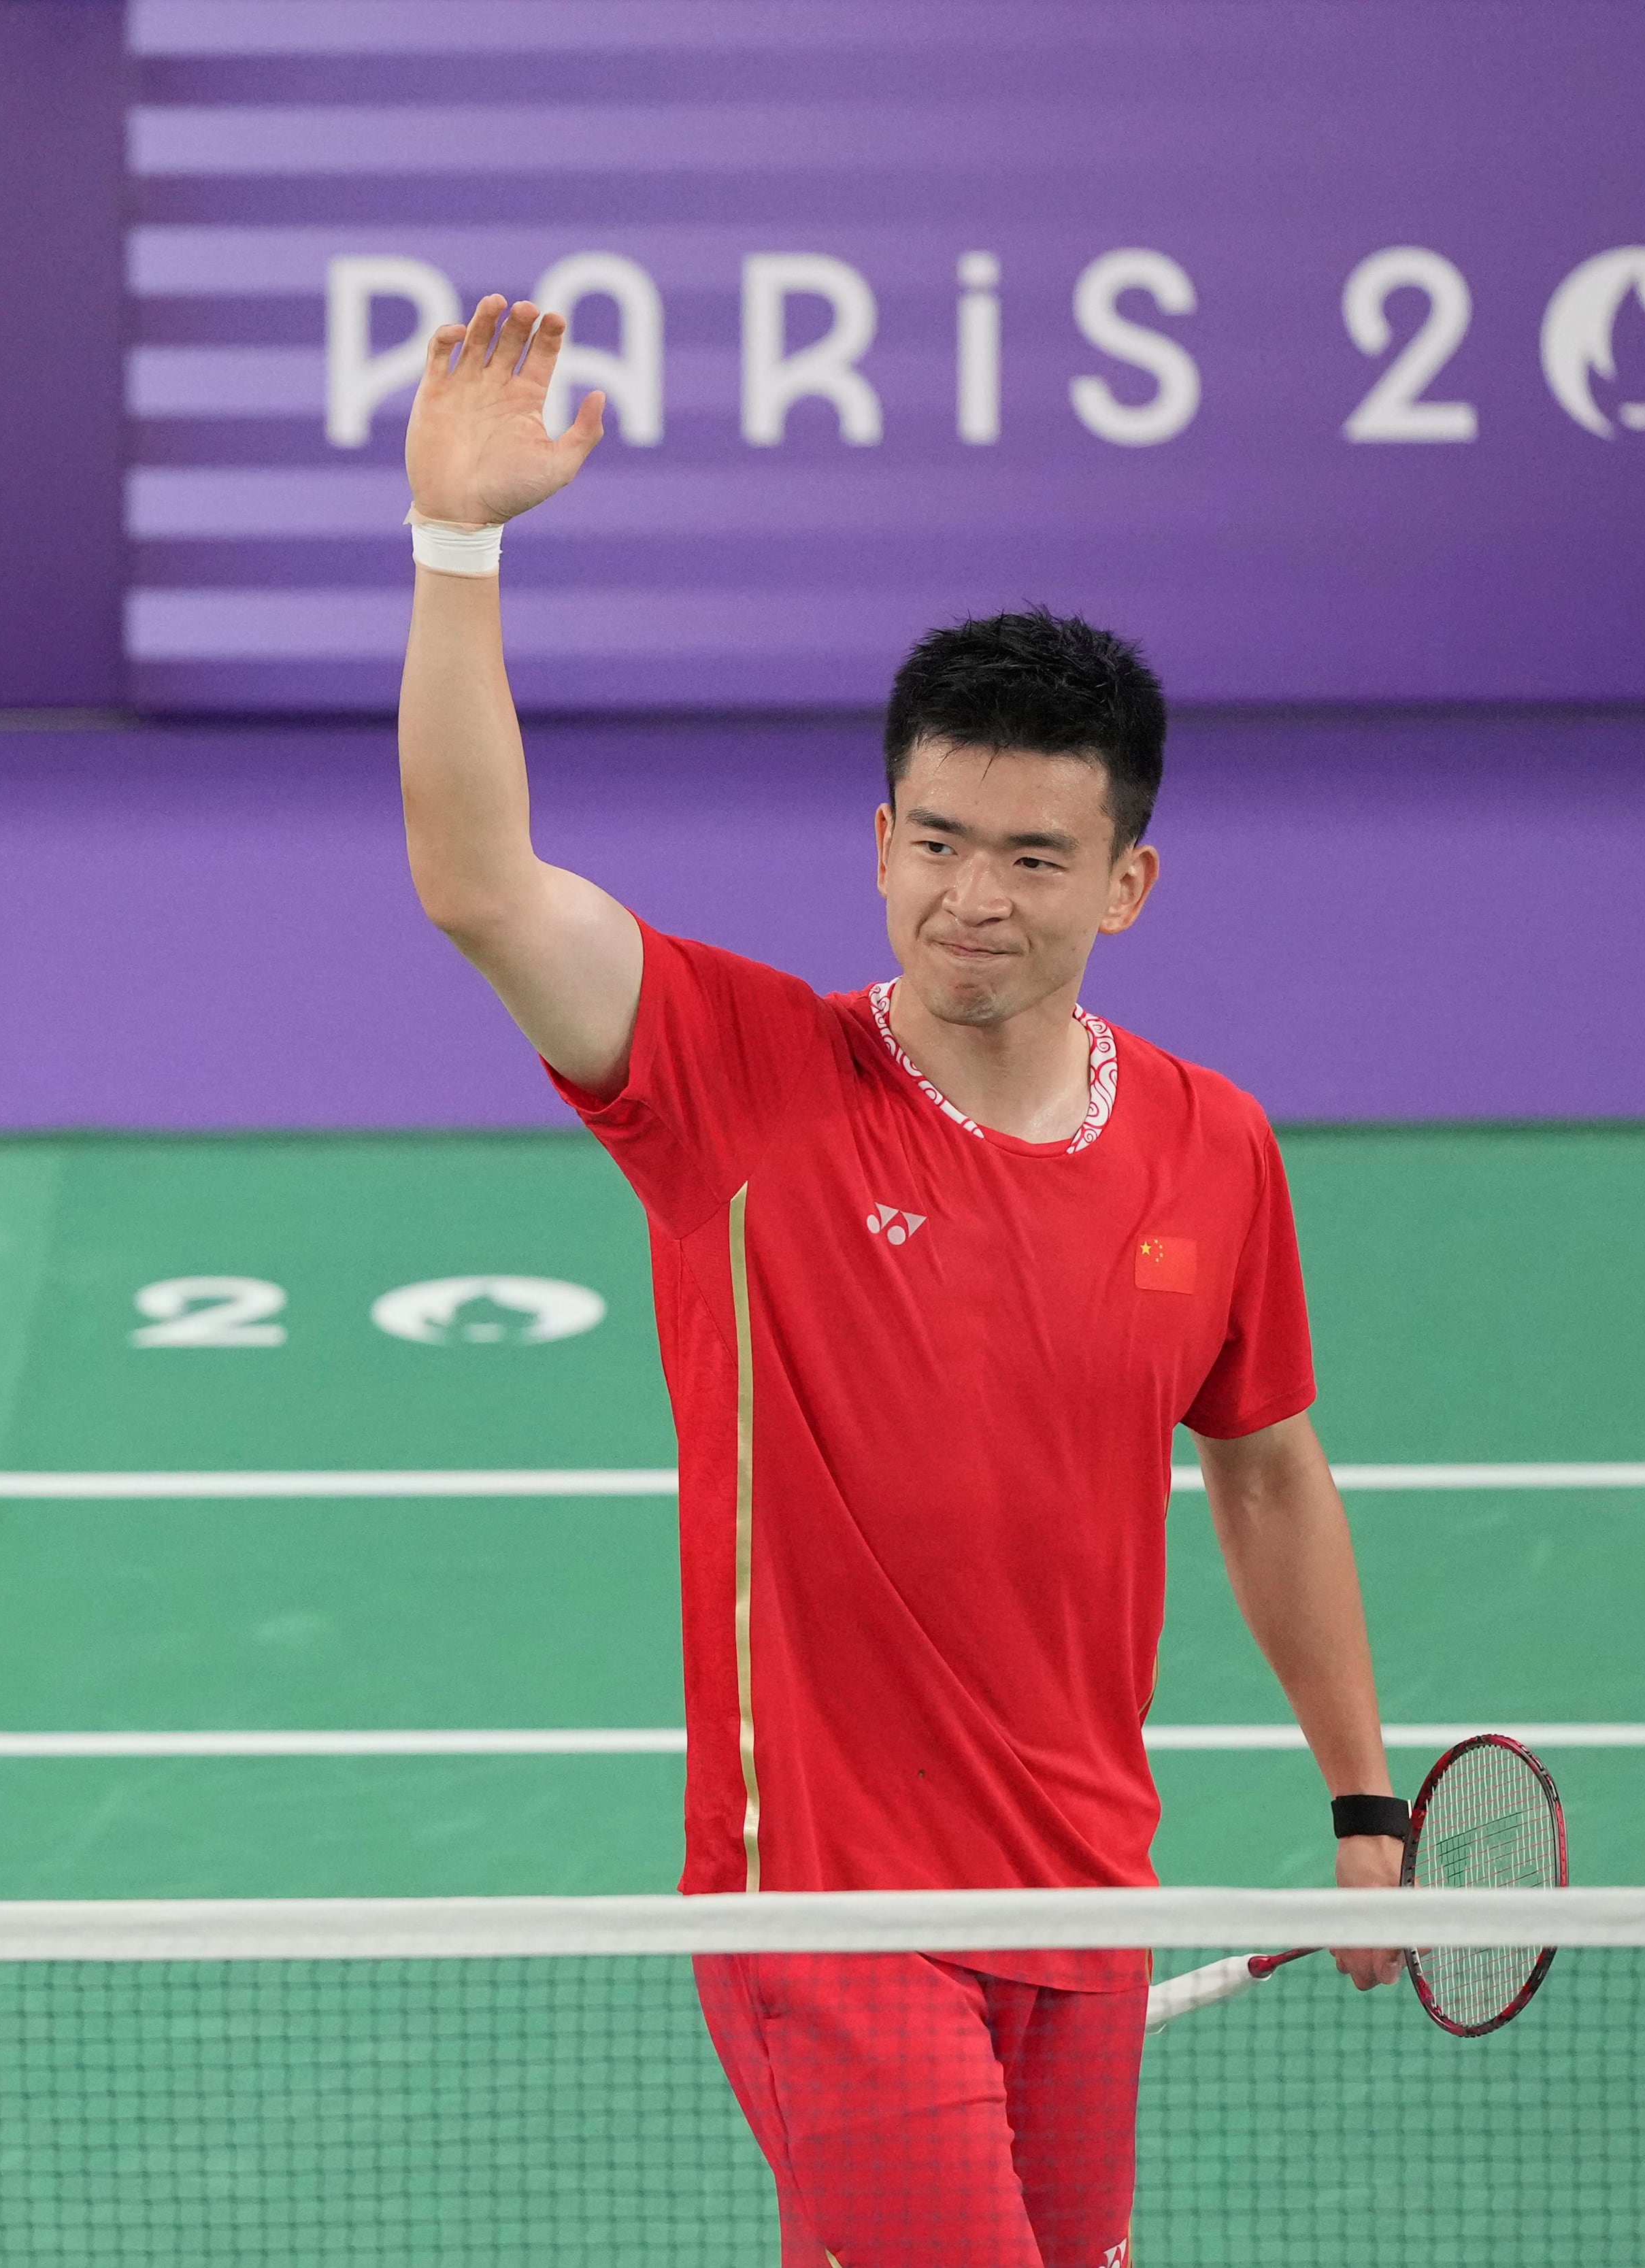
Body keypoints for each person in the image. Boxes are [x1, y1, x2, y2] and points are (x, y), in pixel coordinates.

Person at [391, 300, 1406, 2267]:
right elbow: (477, 877)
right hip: (826, 1907)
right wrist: (459, 550)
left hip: (1091, 1889)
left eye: (1035, 854)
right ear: (876, 840)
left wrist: (1365, 1802)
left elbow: (1268, 1468)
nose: (973, 894)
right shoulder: (736, 1082)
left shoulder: (1216, 1143)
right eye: (935, 838)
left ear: (1127, 885)